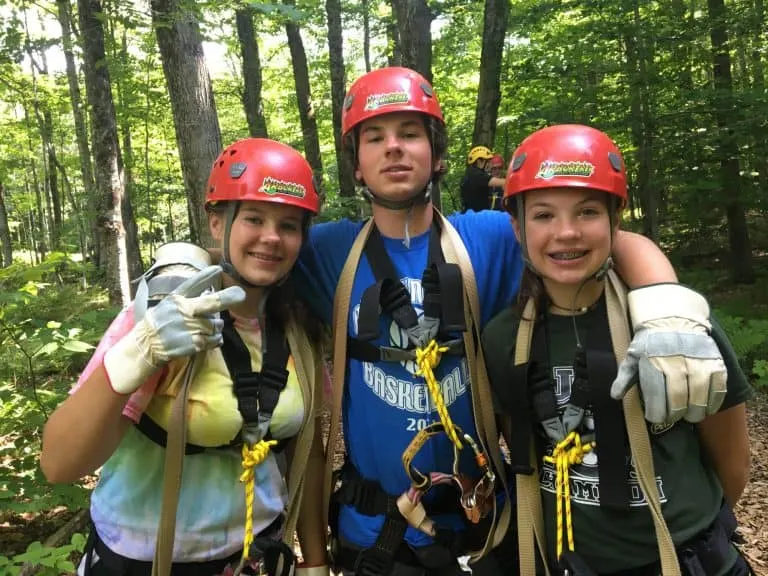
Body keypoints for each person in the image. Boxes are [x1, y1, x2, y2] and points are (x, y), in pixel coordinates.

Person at [293, 67, 728, 576]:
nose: (394, 147)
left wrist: (663, 308)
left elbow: (594, 236)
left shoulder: (489, 238)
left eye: (410, 133)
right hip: (375, 531)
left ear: (436, 155)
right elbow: (250, 262)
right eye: (375, 137)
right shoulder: (328, 252)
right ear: (357, 166)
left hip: (488, 525)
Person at [40, 139, 329, 576]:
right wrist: (141, 351)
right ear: (217, 223)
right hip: (143, 560)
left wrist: (315, 562)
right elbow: (60, 464)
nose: (271, 237)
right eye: (253, 218)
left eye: (289, 225)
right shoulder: (164, 317)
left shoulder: (297, 333)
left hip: (257, 553)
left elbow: (306, 454)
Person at [482, 124, 751, 576]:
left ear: (615, 221)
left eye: (587, 212)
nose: (566, 233)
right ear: (517, 227)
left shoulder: (679, 327)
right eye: (544, 215)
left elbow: (732, 463)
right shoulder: (504, 339)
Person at [460, 146, 505, 212]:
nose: (489, 164)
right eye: (487, 161)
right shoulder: (476, 175)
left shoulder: (469, 174)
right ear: (479, 161)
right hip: (478, 218)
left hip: (472, 215)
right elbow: (502, 182)